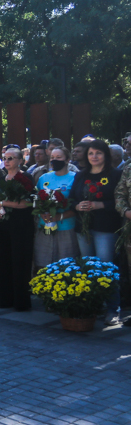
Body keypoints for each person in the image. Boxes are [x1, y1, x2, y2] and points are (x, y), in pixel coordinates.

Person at [70, 139, 122, 324]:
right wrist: (77, 206)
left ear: (105, 155)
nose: (94, 156)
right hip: (83, 228)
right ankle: (93, 305)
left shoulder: (115, 175)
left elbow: (122, 201)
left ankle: (112, 309)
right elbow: (71, 199)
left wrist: (101, 205)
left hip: (105, 228)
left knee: (106, 268)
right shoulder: (81, 175)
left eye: (98, 153)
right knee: (89, 268)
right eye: (91, 153)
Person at [0, 147, 35, 311]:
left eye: (11, 158)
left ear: (20, 161)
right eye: (5, 158)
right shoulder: (2, 178)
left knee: (20, 262)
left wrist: (3, 203)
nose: (6, 161)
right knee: (3, 262)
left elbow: (28, 202)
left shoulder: (25, 177)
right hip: (1, 226)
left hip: (21, 226)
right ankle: (5, 299)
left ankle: (21, 301)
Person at [35, 146, 78, 268]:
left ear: (67, 160)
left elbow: (77, 204)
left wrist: (59, 216)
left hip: (66, 227)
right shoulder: (44, 178)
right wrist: (41, 212)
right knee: (43, 264)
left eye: (58, 157)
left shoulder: (75, 178)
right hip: (44, 227)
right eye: (52, 157)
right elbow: (36, 200)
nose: (54, 160)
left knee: (66, 266)